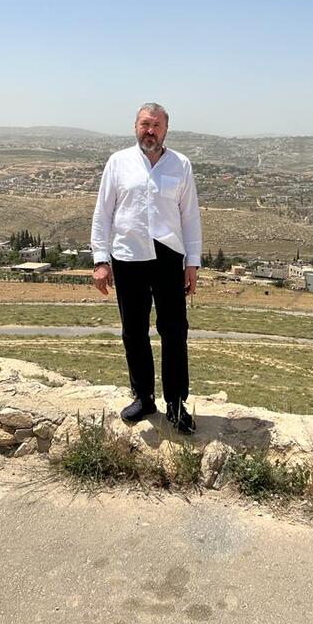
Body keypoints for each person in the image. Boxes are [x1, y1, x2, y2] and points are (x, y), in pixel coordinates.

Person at [90, 103, 202, 434]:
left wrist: (192, 263)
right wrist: (100, 260)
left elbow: (190, 217)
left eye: (156, 125)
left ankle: (176, 403)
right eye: (144, 124)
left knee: (174, 331)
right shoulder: (118, 162)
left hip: (169, 256)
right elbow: (103, 213)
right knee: (134, 331)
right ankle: (144, 398)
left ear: (166, 130)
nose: (149, 131)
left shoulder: (181, 165)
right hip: (128, 257)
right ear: (135, 127)